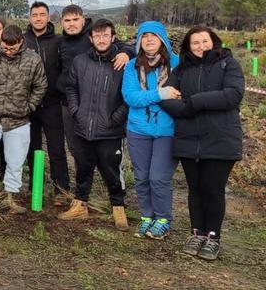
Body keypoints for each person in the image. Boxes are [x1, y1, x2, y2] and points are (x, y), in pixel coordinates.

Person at [161, 27, 244, 260]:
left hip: (221, 138)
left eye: (204, 41)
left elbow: (232, 95)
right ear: (188, 46)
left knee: (213, 189)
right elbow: (167, 98)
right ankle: (196, 233)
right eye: (194, 43)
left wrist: (194, 102)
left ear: (213, 42)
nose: (200, 46)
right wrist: (186, 107)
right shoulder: (181, 69)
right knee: (194, 189)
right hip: (188, 139)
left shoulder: (228, 64)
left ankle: (213, 237)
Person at [0, 24, 47, 213]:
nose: (8, 51)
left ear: (21, 41)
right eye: (5, 47)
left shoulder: (33, 60)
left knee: (15, 160)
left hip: (19, 119)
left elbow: (40, 86)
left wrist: (30, 106)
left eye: (12, 48)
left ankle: (11, 197)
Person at [59, 19, 129, 230]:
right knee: (83, 166)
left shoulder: (122, 63)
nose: (101, 39)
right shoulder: (80, 61)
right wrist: (75, 111)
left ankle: (118, 207)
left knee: (111, 169)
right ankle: (81, 204)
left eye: (105, 35)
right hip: (83, 126)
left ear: (113, 37)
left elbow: (129, 96)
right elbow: (71, 87)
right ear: (91, 38)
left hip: (110, 129)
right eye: (97, 35)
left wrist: (116, 118)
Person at [122, 21, 179, 240]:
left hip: (168, 129)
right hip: (138, 129)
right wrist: (161, 94)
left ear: (162, 39)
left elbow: (181, 93)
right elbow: (131, 97)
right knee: (142, 176)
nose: (148, 40)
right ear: (139, 41)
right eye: (144, 36)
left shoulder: (176, 63)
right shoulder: (133, 66)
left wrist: (154, 96)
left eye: (153, 36)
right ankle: (147, 216)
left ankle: (163, 219)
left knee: (159, 177)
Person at [56, 5, 132, 163]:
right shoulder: (60, 42)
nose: (72, 24)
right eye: (67, 20)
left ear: (83, 19)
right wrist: (75, 110)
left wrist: (126, 53)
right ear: (61, 22)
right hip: (70, 103)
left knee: (106, 154)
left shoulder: (95, 35)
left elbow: (124, 45)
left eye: (76, 19)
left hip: (101, 103)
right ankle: (82, 183)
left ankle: (113, 182)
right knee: (77, 149)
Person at [23, 1, 70, 204]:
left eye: (42, 14)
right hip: (30, 105)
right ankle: (37, 187)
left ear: (48, 17)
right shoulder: (23, 41)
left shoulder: (59, 41)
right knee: (32, 149)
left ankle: (61, 190)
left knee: (57, 149)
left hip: (52, 104)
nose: (39, 18)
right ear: (30, 18)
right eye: (35, 15)